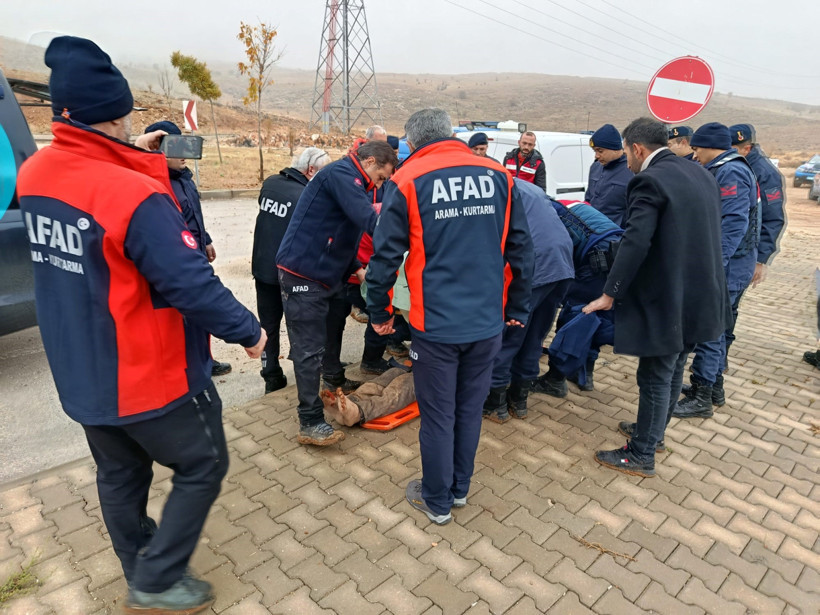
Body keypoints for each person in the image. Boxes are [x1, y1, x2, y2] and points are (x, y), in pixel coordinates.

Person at [16, 36, 266, 614]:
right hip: (148, 376)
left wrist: (138, 155)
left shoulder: (36, 172)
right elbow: (189, 283)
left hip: (81, 375)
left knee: (120, 474)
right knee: (204, 463)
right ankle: (156, 579)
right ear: (120, 112)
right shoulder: (132, 194)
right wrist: (248, 331)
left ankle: (138, 565)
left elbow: (96, 203)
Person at [367, 108, 533, 524]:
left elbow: (384, 259)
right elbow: (521, 250)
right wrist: (516, 308)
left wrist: (380, 314)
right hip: (486, 323)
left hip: (436, 326)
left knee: (439, 415)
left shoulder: (406, 181)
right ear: (450, 135)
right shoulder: (499, 176)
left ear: (414, 142)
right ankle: (459, 489)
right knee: (468, 409)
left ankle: (437, 501)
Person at [583, 117, 729, 478]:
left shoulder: (649, 179)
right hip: (701, 293)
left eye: (629, 156)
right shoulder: (699, 172)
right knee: (674, 366)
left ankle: (642, 453)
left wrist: (610, 293)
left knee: (654, 375)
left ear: (636, 149)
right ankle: (653, 434)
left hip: (669, 297)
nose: (629, 165)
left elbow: (636, 242)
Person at [276, 139, 397, 446]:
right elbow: (370, 221)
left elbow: (341, 229)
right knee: (308, 350)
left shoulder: (355, 181)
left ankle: (331, 381)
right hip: (304, 273)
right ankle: (310, 421)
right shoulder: (341, 175)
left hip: (327, 273)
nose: (380, 185)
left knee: (330, 335)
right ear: (369, 162)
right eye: (381, 177)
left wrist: (356, 266)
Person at [672, 122, 759, 419]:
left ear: (710, 146)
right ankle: (713, 386)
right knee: (717, 328)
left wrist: (714, 265)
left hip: (728, 266)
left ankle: (702, 396)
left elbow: (734, 224)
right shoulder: (724, 168)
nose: (695, 156)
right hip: (730, 264)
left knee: (711, 331)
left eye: (696, 149)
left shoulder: (730, 171)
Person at [143, 120, 233, 378]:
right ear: (157, 149)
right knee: (182, 315)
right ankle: (190, 365)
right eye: (176, 147)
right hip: (178, 262)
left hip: (196, 254)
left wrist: (205, 239)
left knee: (200, 311)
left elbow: (193, 214)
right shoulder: (155, 183)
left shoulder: (184, 179)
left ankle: (205, 359)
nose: (184, 155)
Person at [483, 179, 574, 422]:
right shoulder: (528, 187)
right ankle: (519, 400)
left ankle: (495, 404)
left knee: (510, 334)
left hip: (534, 265)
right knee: (534, 334)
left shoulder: (491, 190)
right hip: (562, 263)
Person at [253, 147, 330, 393]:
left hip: (262, 267)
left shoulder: (271, 183)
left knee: (269, 325)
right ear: (311, 171)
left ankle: (271, 376)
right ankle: (305, 371)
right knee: (300, 325)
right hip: (289, 273)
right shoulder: (305, 196)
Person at [532, 200, 622, 396]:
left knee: (577, 315)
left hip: (595, 258)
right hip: (614, 253)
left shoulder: (540, 212)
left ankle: (555, 380)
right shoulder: (553, 204)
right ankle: (585, 375)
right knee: (598, 313)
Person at [729, 123, 786, 288]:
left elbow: (773, 217)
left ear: (747, 149)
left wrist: (761, 259)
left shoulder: (765, 173)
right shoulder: (731, 166)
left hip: (744, 254)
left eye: (732, 149)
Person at [584, 123, 634, 227]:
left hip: (618, 234)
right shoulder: (595, 167)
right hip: (594, 232)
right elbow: (588, 200)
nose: (596, 155)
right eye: (594, 151)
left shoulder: (632, 170)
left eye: (600, 151)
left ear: (615, 148)